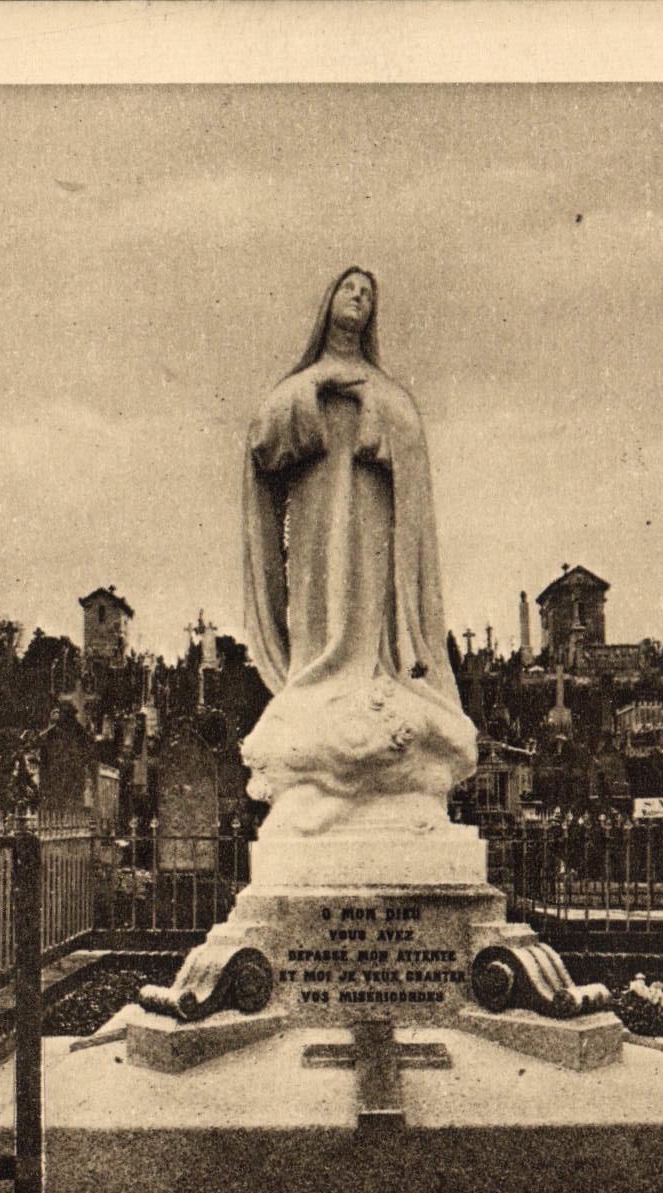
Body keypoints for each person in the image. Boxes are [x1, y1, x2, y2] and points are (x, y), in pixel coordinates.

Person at [241, 267, 477, 834]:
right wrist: (315, 396)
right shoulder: (301, 385)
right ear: (329, 302)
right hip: (319, 521)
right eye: (350, 288)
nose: (360, 298)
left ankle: (374, 674)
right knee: (319, 609)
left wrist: (377, 414)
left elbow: (410, 445)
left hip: (373, 524)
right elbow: (262, 443)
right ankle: (323, 679)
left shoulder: (386, 390)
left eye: (368, 293)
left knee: (370, 607)